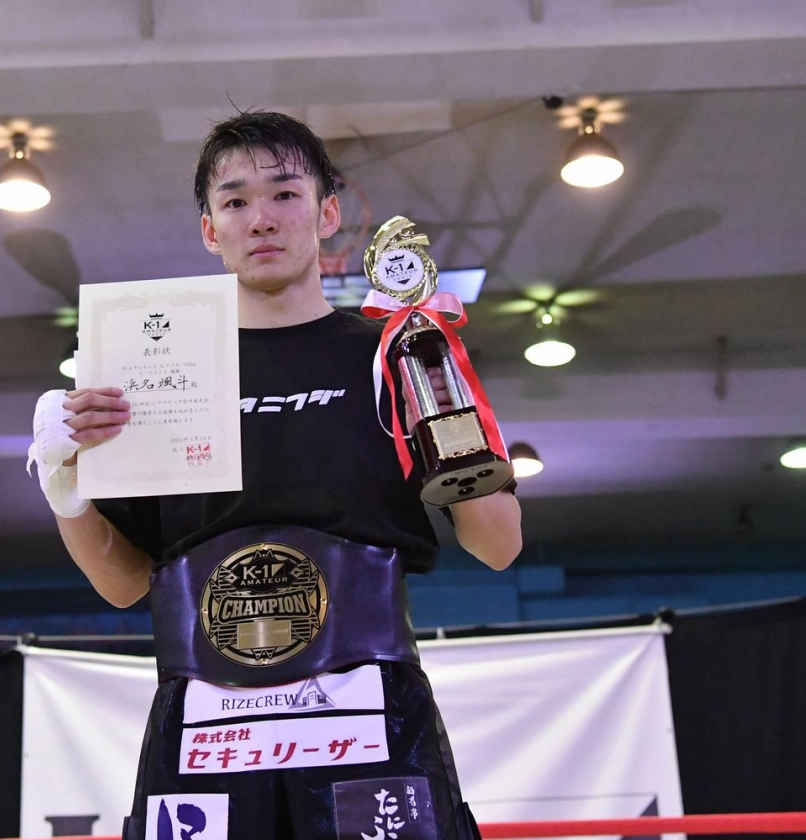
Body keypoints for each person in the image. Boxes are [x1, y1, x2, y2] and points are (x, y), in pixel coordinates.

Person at [29, 111, 521, 840]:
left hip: (369, 717)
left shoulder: (393, 356)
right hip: (208, 724)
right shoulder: (156, 377)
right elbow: (125, 583)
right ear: (209, 230)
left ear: (327, 214)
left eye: (284, 193)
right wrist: (65, 488)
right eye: (234, 201)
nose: (260, 218)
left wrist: (448, 409)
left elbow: (498, 546)